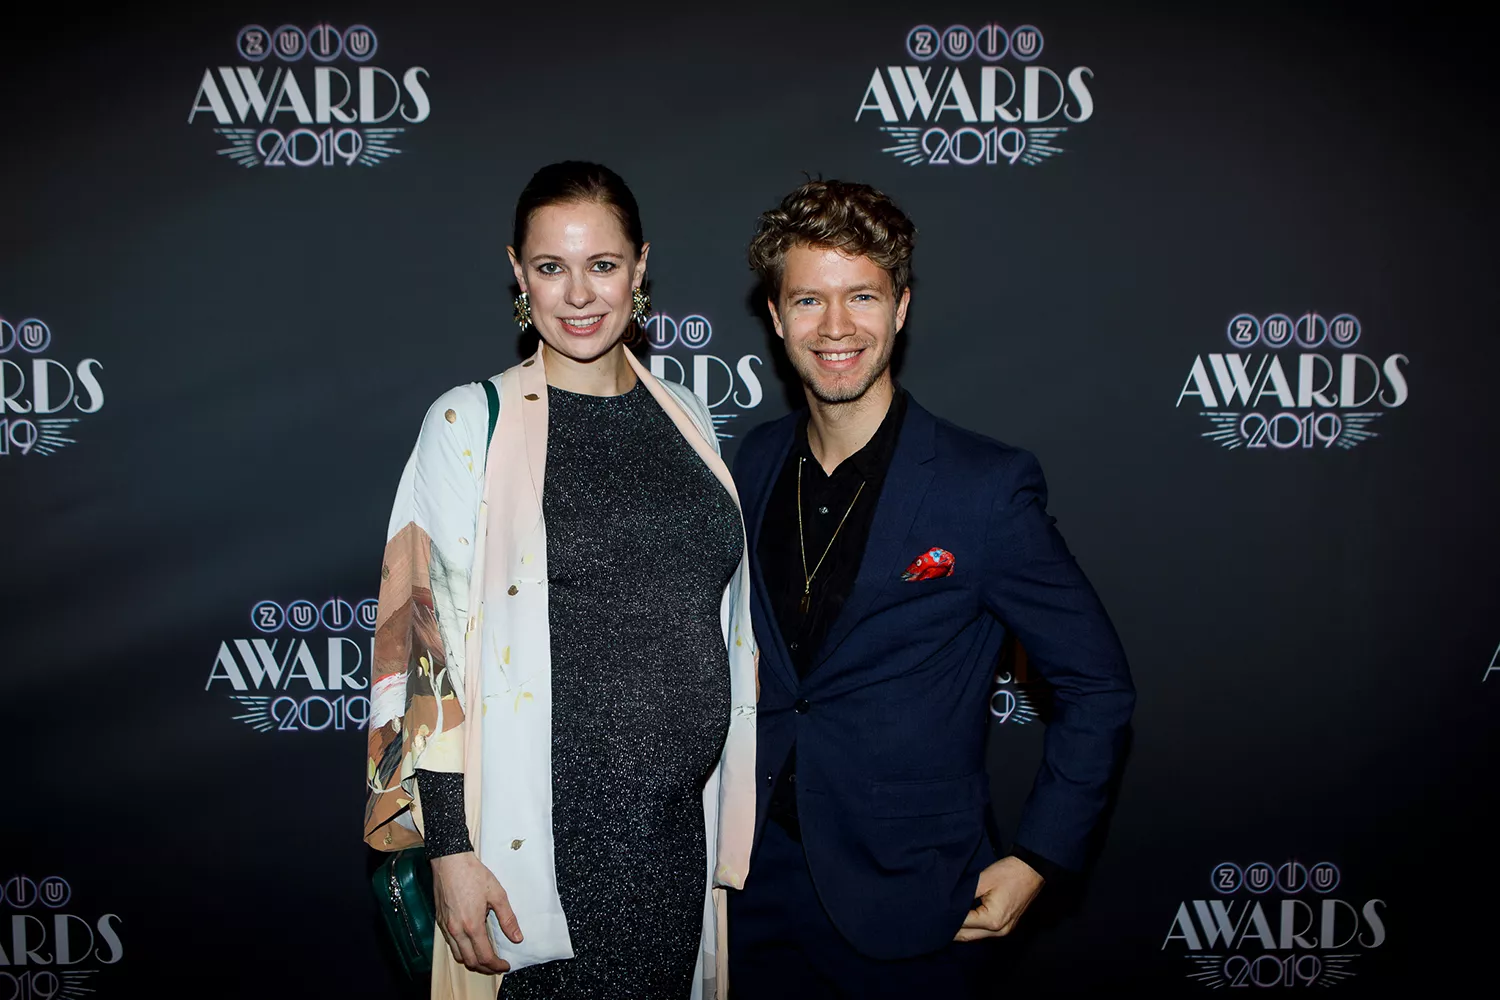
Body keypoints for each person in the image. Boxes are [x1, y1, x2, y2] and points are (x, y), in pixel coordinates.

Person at [727, 179, 1135, 998]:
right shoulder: (751, 460)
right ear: (775, 316)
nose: (835, 327)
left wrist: (1039, 857)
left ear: (901, 307)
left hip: (913, 896)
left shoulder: (984, 488)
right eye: (808, 299)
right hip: (748, 889)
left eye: (862, 296)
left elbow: (1097, 685)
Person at [362, 161, 758, 1000]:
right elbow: (423, 649)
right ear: (518, 272)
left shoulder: (687, 416)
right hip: (536, 854)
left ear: (640, 267)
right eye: (551, 267)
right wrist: (451, 850)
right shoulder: (467, 422)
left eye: (602, 265)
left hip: (673, 842)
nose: (579, 294)